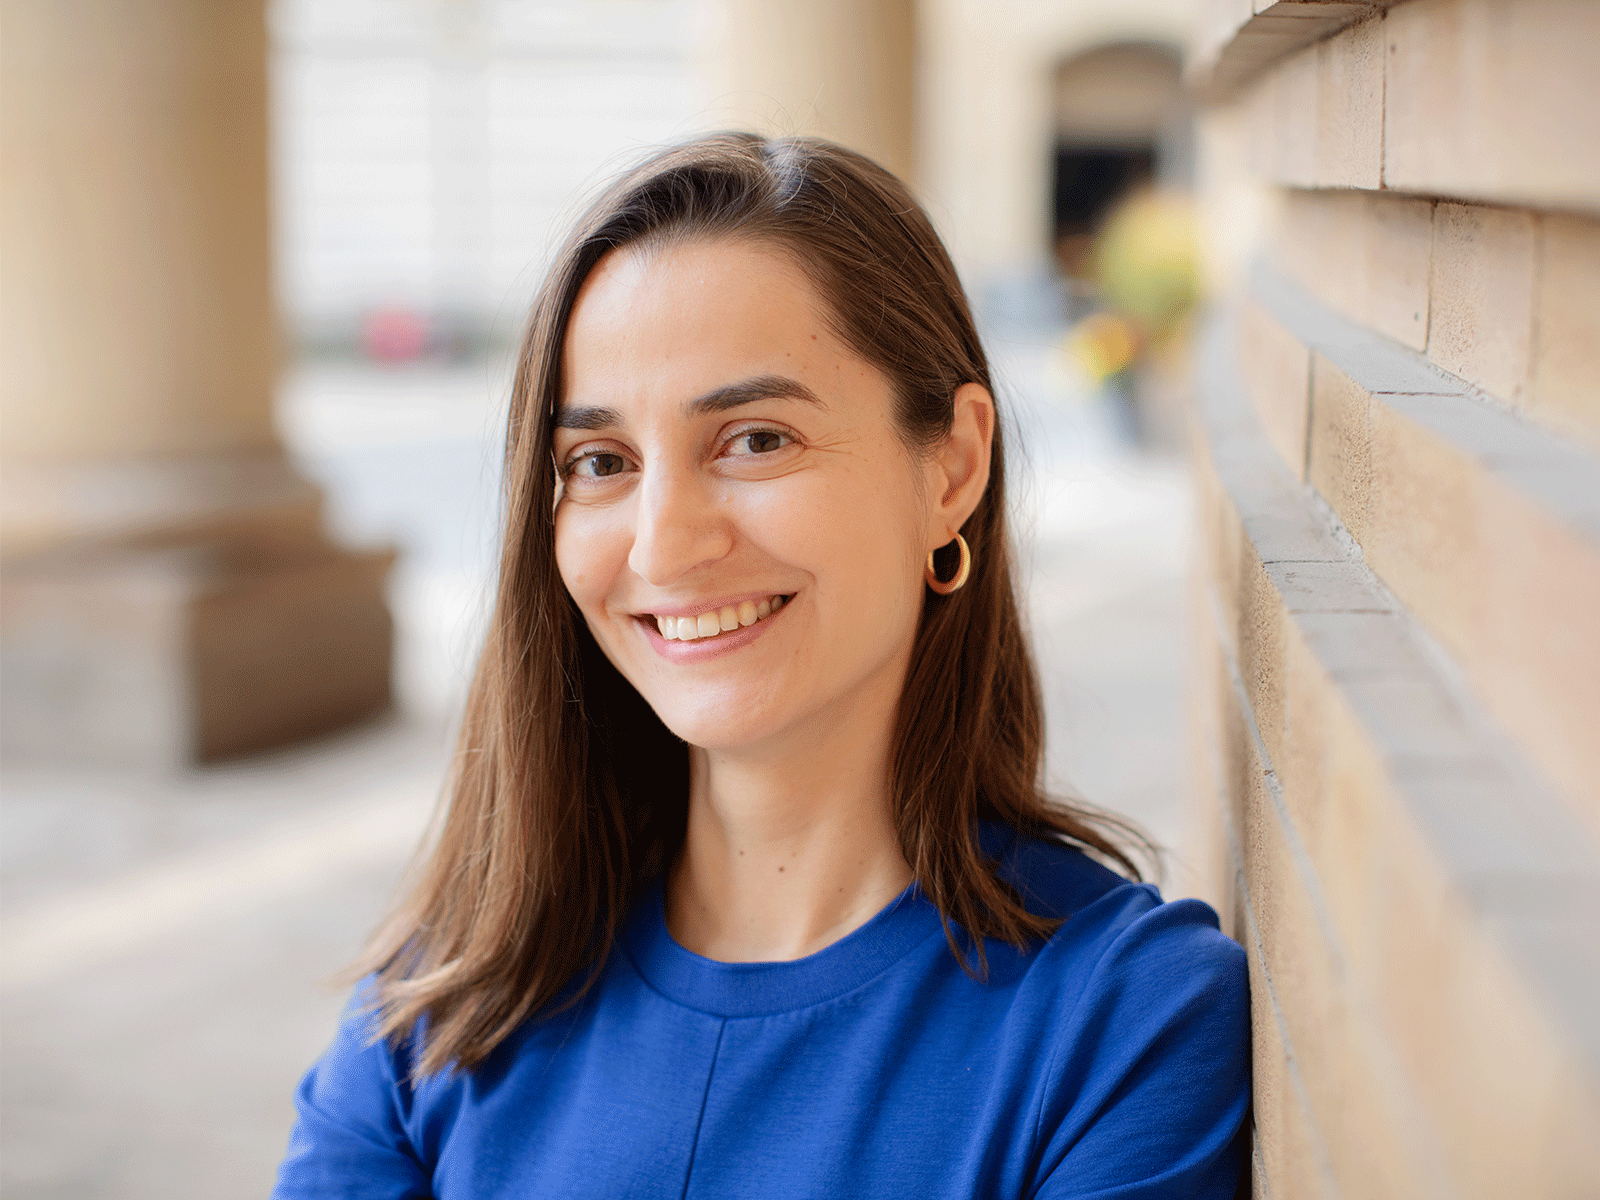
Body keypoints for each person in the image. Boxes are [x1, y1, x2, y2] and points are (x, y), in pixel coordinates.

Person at [272, 133, 1250, 1199]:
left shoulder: (1121, 1030)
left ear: (953, 467)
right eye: (599, 463)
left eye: (755, 439)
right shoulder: (431, 1017)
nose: (663, 544)